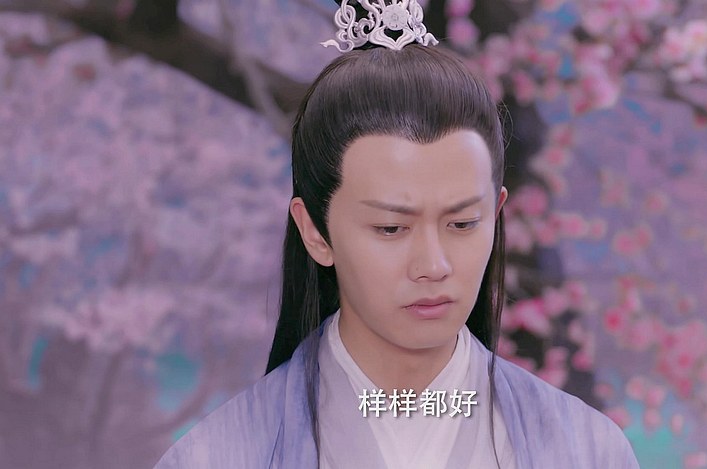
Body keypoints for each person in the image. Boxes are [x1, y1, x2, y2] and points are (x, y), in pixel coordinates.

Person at [154, 1, 639, 467]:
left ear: (496, 214)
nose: (433, 265)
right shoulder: (214, 458)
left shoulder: (588, 451)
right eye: (391, 227)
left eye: (462, 224)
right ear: (314, 232)